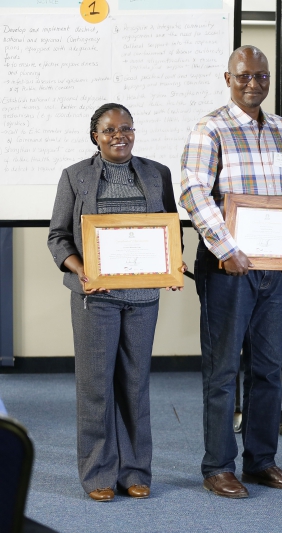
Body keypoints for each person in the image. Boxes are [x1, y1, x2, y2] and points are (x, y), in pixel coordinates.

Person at [180, 45, 282, 499]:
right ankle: (219, 465)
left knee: (268, 369)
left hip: (273, 269)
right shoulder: (210, 127)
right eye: (244, 77)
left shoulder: (279, 128)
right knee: (222, 371)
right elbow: (194, 191)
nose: (253, 84)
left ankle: (261, 461)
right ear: (228, 78)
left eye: (261, 77)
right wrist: (226, 246)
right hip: (228, 267)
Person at [47, 102, 184, 501]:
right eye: (109, 130)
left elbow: (169, 227)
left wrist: (172, 264)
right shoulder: (75, 177)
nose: (119, 136)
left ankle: (135, 471)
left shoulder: (157, 173)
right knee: (96, 388)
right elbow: (58, 237)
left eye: (126, 128)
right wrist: (81, 271)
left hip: (143, 298)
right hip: (97, 298)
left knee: (136, 386)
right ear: (95, 136)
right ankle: (98, 474)